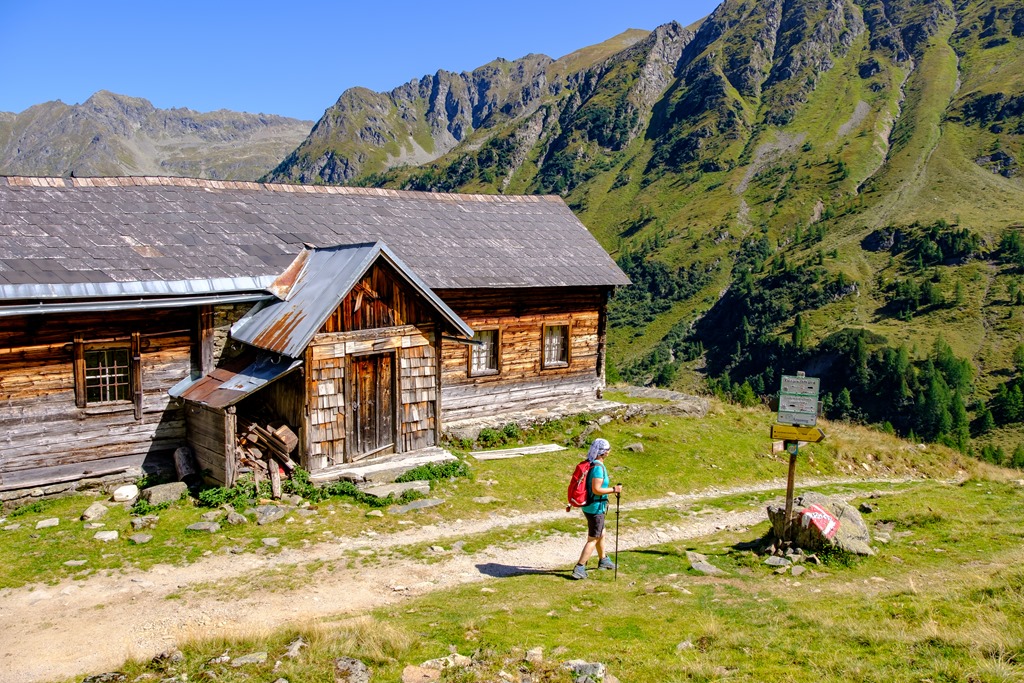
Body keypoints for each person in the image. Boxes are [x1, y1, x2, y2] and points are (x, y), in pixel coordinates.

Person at [571, 438, 622, 580]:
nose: (609, 451)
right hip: (596, 507)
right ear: (603, 452)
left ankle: (603, 560)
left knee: (601, 533)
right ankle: (579, 567)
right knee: (593, 538)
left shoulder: (591, 463)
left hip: (590, 506)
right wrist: (614, 489)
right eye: (608, 449)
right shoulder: (598, 468)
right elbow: (596, 489)